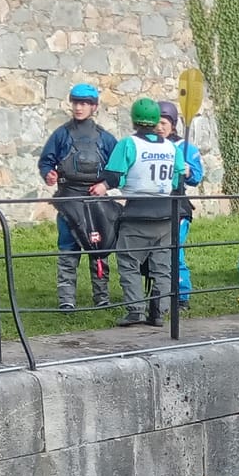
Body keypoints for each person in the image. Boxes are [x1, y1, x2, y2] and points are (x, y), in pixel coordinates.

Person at [103, 98, 185, 327]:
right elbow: (179, 179)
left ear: (134, 119)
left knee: (128, 260)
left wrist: (103, 185)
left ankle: (136, 310)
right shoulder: (171, 146)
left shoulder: (128, 144)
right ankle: (159, 312)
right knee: (162, 265)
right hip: (167, 214)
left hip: (138, 213)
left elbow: (114, 176)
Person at [38, 82, 118, 311]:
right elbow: (46, 161)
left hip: (96, 201)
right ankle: (66, 299)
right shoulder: (61, 135)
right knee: (68, 247)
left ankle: (101, 297)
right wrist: (49, 174)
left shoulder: (106, 139)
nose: (79, 108)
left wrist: (105, 184)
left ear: (94, 107)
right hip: (68, 200)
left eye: (84, 103)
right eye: (75, 103)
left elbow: (118, 169)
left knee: (99, 247)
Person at [156, 102, 204, 309]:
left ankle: (181, 295)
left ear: (173, 125)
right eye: (156, 122)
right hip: (152, 207)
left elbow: (197, 177)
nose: (160, 127)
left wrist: (188, 171)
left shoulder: (184, 148)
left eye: (164, 122)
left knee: (175, 251)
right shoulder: (145, 145)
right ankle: (159, 292)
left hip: (178, 208)